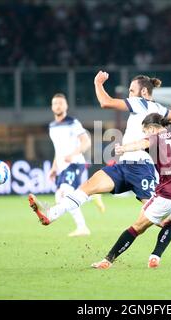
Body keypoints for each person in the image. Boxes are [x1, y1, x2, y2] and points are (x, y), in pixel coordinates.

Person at [28, 71, 171, 252]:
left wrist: (98, 84)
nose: (130, 94)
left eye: (132, 90)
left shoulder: (141, 103)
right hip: (124, 165)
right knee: (89, 185)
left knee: (161, 221)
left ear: (144, 92)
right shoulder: (159, 109)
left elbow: (106, 102)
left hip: (143, 169)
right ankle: (51, 214)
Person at [91, 113, 171, 269]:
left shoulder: (155, 138)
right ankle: (155, 256)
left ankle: (107, 261)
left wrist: (123, 148)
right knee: (170, 224)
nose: (145, 134)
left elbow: (139, 144)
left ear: (152, 128)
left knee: (136, 227)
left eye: (145, 131)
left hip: (168, 195)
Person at [28, 93, 105, 237]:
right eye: (55, 103)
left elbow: (86, 142)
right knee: (60, 197)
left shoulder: (73, 122)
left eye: (61, 103)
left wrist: (74, 154)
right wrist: (54, 166)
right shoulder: (52, 126)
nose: (58, 105)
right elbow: (58, 149)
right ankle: (91, 197)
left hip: (75, 163)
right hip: (62, 166)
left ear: (66, 106)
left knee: (64, 193)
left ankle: (64, 220)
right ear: (52, 107)